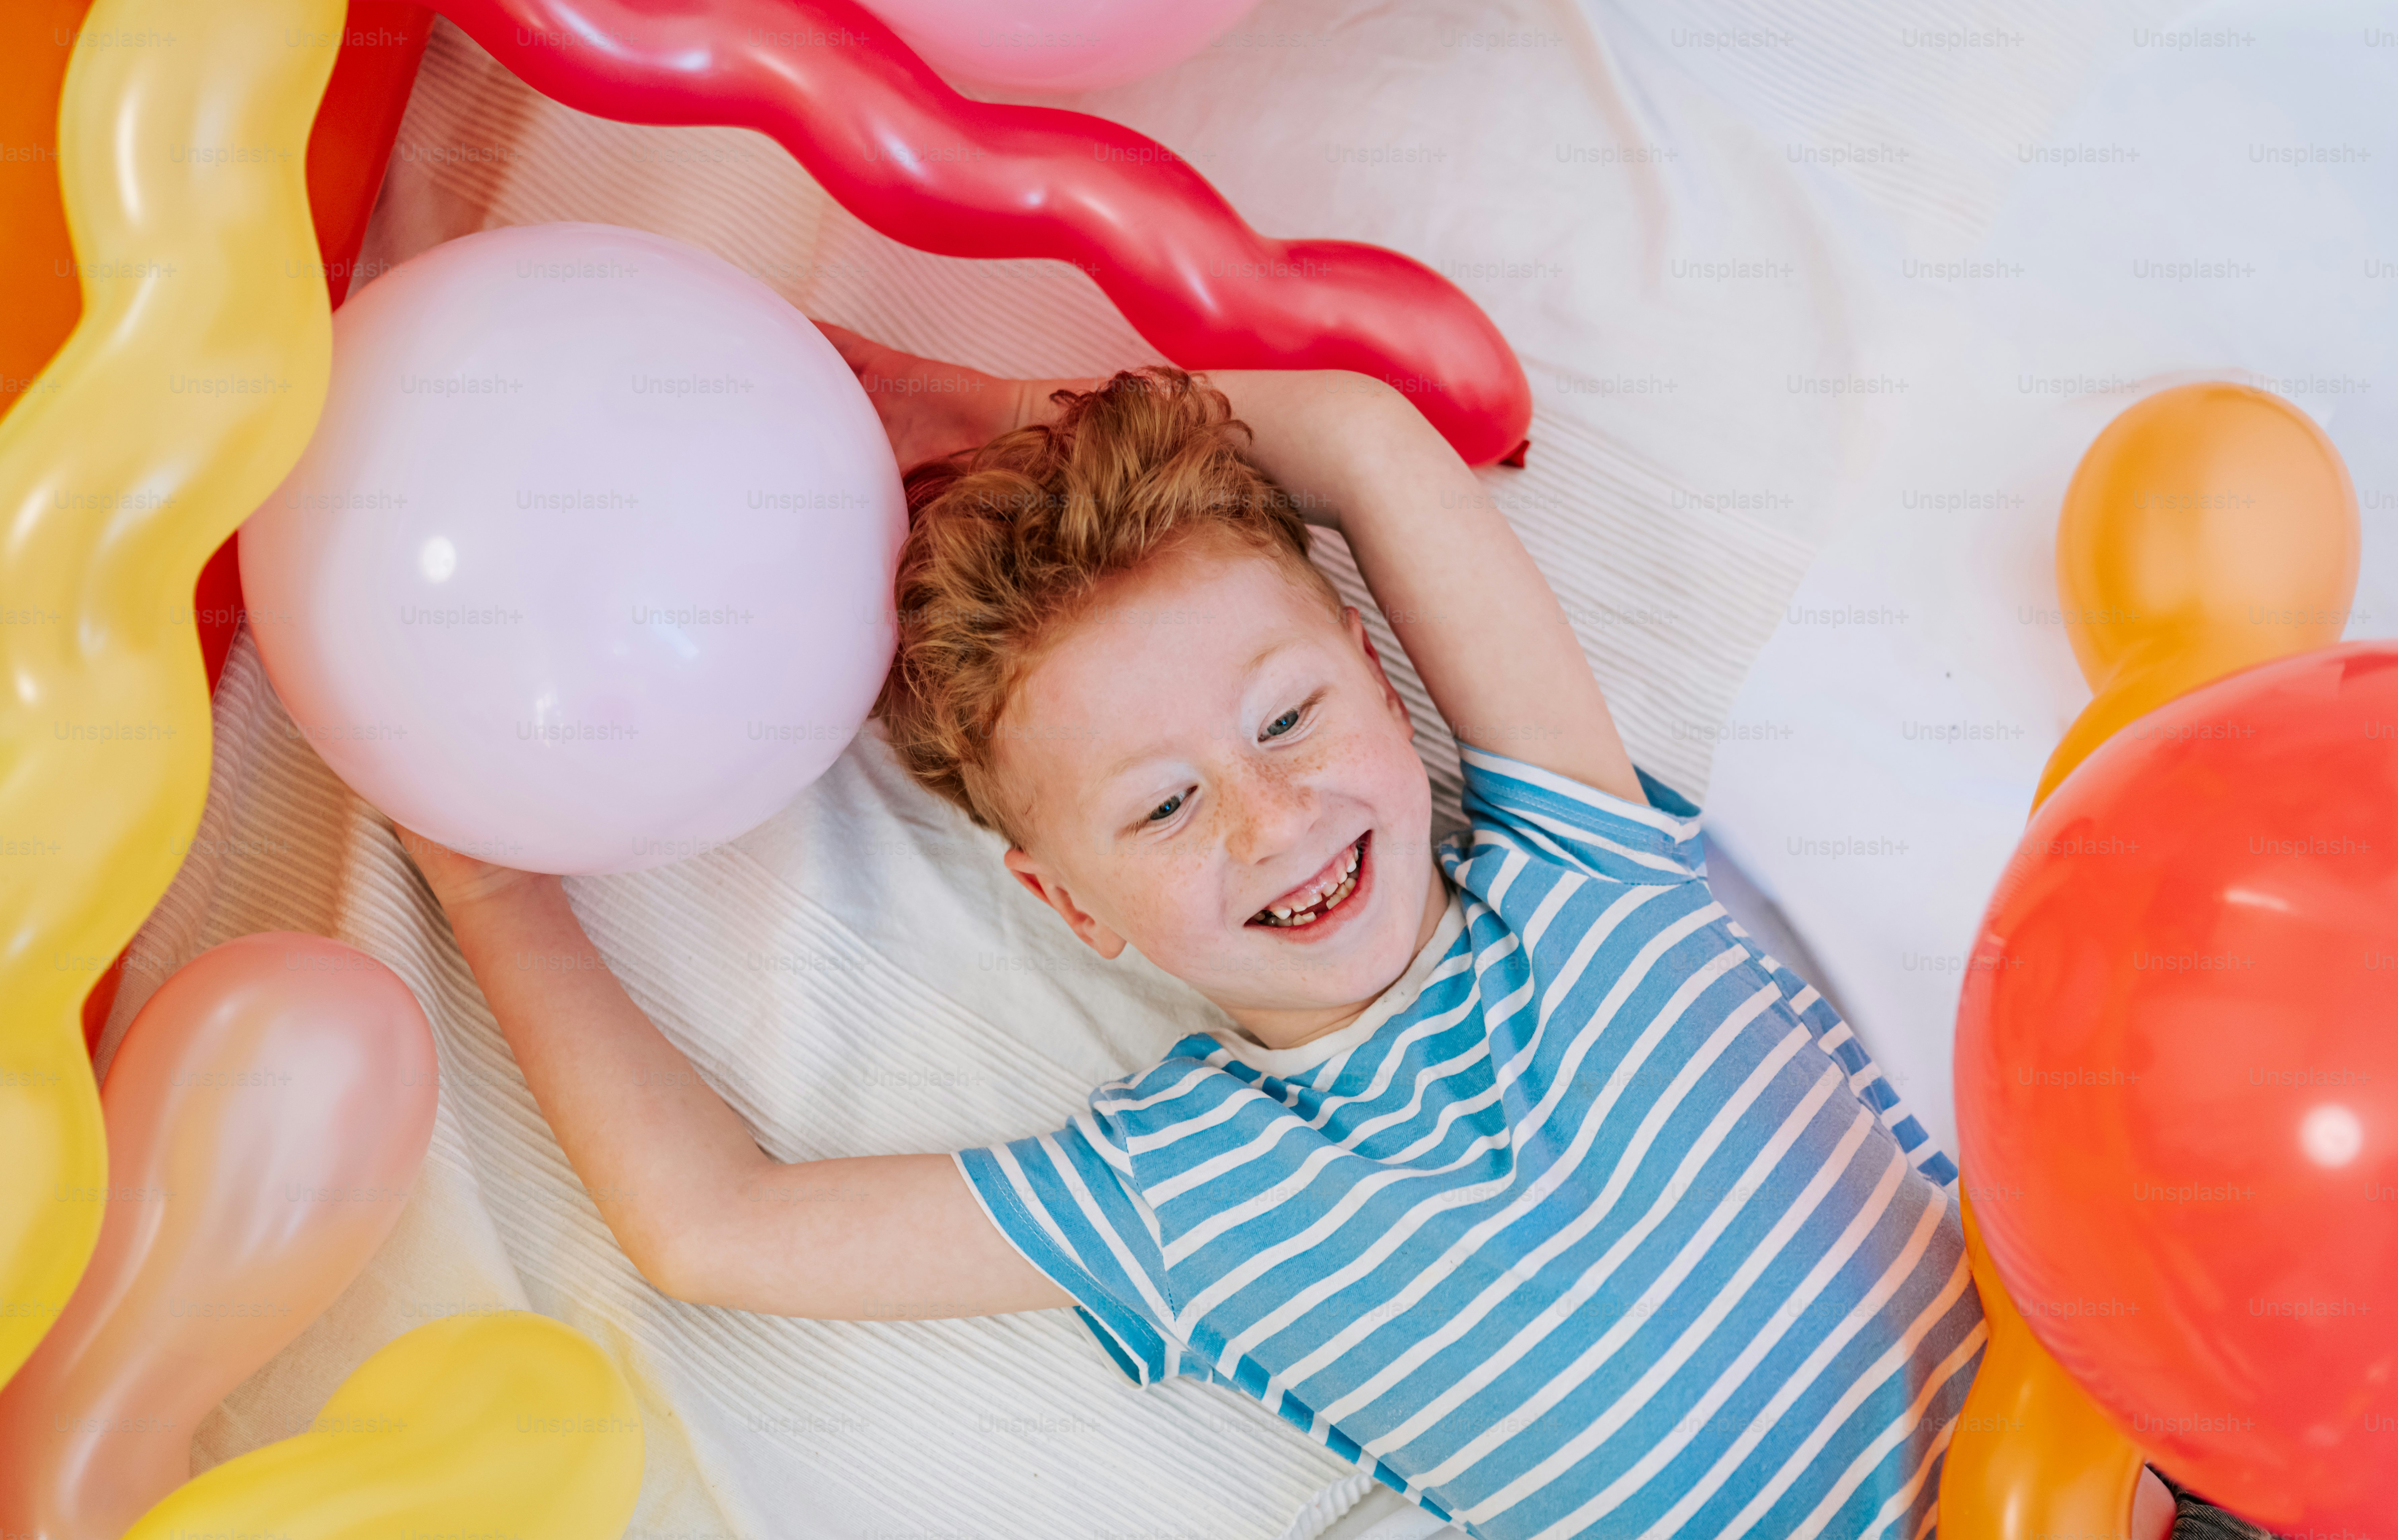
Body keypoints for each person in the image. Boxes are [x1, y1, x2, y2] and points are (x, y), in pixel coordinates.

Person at [403, 328, 2215, 1539]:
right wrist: (489, 883)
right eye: (1159, 809)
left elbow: (1355, 442)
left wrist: (986, 417)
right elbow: (709, 1226)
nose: (1272, 819)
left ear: (1375, 671)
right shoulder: (1184, 1193)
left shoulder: (1580, 861)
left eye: (1284, 721)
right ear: (1066, 908)